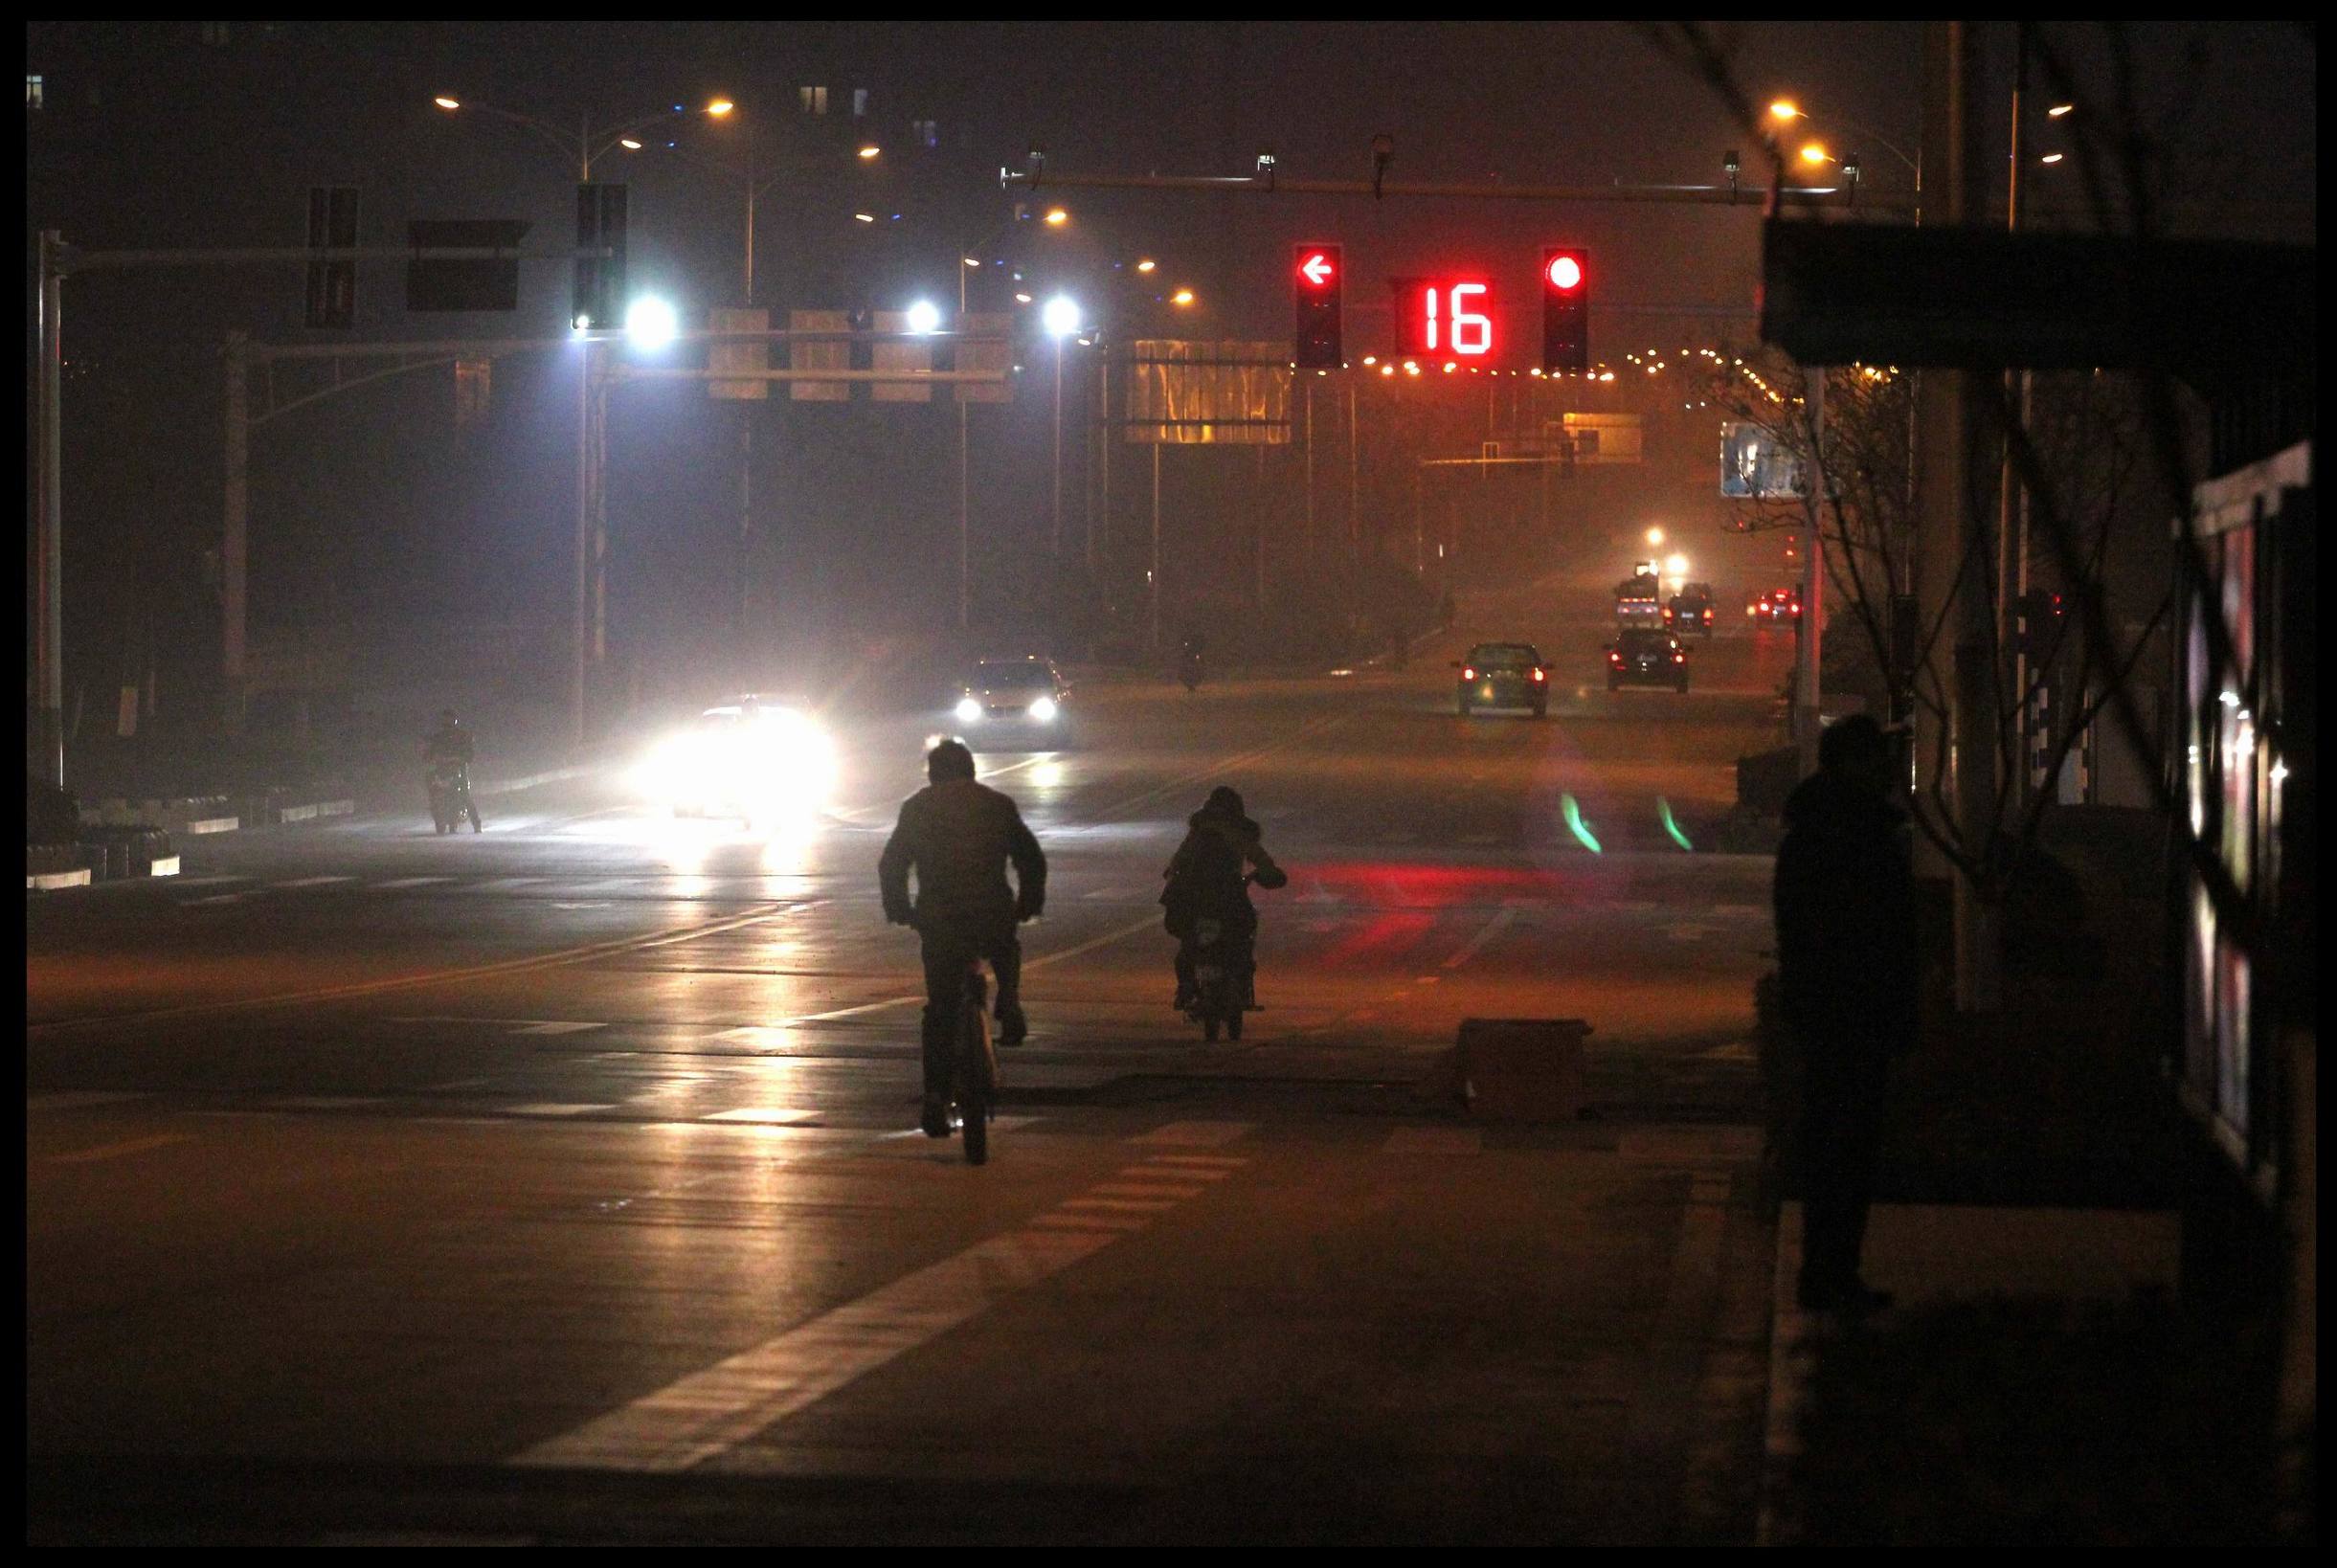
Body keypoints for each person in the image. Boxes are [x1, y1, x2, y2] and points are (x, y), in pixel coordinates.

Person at [1773, 713, 1918, 1315]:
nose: (1889, 769)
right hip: (1848, 1011)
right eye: (1877, 758)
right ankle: (1831, 1272)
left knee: (1839, 1144)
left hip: (1835, 1010)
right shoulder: (1850, 835)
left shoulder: (1824, 830)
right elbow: (1862, 930)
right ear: (1852, 764)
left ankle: (1831, 1269)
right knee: (1843, 1146)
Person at [879, 739, 1047, 1138]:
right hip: (991, 911)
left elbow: (892, 864)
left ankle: (935, 1095)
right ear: (971, 770)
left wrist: (900, 910)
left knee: (940, 1009)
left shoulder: (917, 808)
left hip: (940, 918)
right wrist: (1027, 904)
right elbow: (1031, 859)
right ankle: (1009, 1001)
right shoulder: (997, 804)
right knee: (1005, 948)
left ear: (932, 773)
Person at [1161, 785, 1288, 1010]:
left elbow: (1177, 861)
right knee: (1243, 937)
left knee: (1189, 943)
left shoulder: (1198, 833)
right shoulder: (1240, 833)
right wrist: (1269, 874)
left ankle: (1186, 986)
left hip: (1197, 900)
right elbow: (1262, 861)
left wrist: (1174, 876)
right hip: (1229, 899)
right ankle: (1233, 987)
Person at [423, 708, 482, 832]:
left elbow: (469, 754)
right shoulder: (438, 737)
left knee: (465, 795)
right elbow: (428, 754)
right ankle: (437, 813)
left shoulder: (463, 736)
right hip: (442, 770)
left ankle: (476, 823)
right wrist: (431, 758)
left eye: (449, 719)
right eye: (445, 719)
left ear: (454, 720)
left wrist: (459, 759)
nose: (447, 722)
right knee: (432, 786)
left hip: (458, 769)